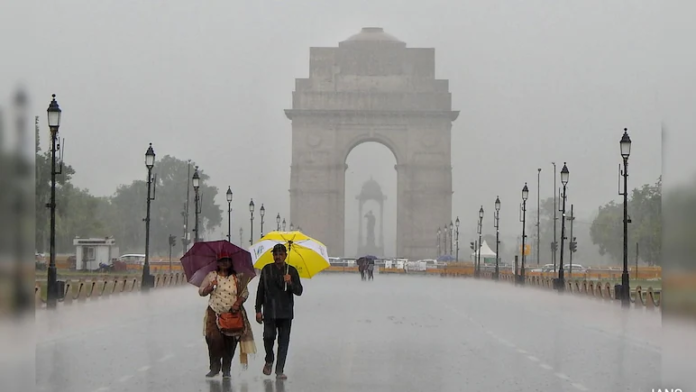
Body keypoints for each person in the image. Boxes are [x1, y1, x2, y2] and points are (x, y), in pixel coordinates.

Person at [199, 253, 256, 378]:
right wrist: (210, 286)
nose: (224, 263)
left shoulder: (237, 277)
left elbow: (244, 293)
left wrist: (237, 303)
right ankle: (214, 366)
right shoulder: (212, 275)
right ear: (217, 262)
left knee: (230, 342)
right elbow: (201, 292)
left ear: (231, 262)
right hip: (214, 313)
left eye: (227, 260)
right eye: (221, 260)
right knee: (213, 339)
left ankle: (226, 368)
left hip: (232, 314)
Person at [255, 243, 303, 380]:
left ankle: (279, 370)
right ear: (273, 255)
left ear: (285, 256)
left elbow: (299, 291)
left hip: (286, 313)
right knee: (268, 337)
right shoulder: (266, 269)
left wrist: (290, 283)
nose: (278, 257)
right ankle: (269, 359)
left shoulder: (291, 271)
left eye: (281, 254)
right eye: (275, 254)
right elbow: (260, 291)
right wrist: (258, 310)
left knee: (283, 342)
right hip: (270, 311)